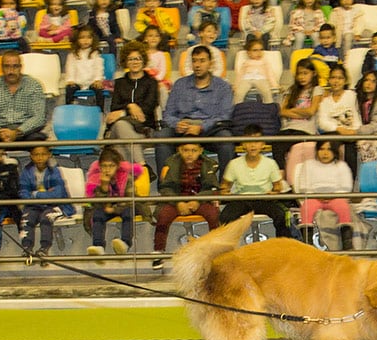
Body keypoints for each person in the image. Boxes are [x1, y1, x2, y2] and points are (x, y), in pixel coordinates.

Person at [154, 46, 235, 175]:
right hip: (183, 128)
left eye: (202, 61)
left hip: (210, 130)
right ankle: (165, 187)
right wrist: (177, 124)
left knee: (226, 139)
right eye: (195, 61)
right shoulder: (180, 84)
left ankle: (225, 188)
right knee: (161, 137)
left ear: (210, 63)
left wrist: (202, 126)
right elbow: (168, 114)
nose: (197, 65)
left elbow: (225, 115)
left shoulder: (223, 86)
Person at [154, 140, 220, 269]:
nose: (189, 154)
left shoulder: (208, 164)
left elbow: (213, 188)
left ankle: (217, 251)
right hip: (176, 201)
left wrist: (198, 200)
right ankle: (158, 252)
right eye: (186, 150)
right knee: (163, 215)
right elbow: (165, 188)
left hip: (199, 200)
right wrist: (178, 202)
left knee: (213, 214)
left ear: (200, 151)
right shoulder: (171, 163)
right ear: (179, 150)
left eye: (193, 150)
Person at [219, 124, 294, 238]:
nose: (253, 145)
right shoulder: (234, 163)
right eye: (249, 141)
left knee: (281, 215)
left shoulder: (270, 163)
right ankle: (228, 250)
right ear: (243, 143)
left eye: (256, 141)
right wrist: (225, 191)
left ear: (263, 144)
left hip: (263, 199)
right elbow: (225, 185)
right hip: (241, 199)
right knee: (225, 217)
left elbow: (277, 186)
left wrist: (274, 192)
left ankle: (281, 246)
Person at [294, 139, 357, 250]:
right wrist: (317, 195)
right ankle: (307, 244)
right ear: (317, 151)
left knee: (343, 207)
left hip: (335, 197)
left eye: (329, 149)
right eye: (322, 149)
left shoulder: (342, 166)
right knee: (306, 208)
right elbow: (303, 186)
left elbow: (347, 187)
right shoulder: (308, 165)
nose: (325, 153)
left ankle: (347, 244)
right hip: (314, 197)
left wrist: (332, 196)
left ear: (335, 151)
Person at [0, 50, 48, 144]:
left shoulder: (33, 85)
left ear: (21, 67)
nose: (11, 71)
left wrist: (17, 132)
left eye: (15, 66)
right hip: (0, 132)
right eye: (7, 66)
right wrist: (0, 132)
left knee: (39, 143)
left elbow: (39, 117)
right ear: (1, 68)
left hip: (26, 132)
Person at [106, 42, 160, 166]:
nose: (134, 62)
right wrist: (130, 107)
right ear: (125, 61)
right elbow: (114, 108)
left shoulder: (152, 83)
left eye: (138, 58)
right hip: (118, 129)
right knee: (120, 125)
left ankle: (129, 180)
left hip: (144, 131)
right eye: (131, 59)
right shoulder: (119, 83)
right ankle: (142, 165)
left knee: (121, 145)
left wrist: (123, 111)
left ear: (143, 60)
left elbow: (148, 108)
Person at [84, 146, 143, 256]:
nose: (107, 169)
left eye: (111, 166)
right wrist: (104, 186)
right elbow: (96, 203)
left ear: (117, 166)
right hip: (107, 207)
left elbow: (130, 200)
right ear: (99, 167)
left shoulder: (126, 177)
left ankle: (125, 243)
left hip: (126, 205)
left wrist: (113, 209)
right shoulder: (96, 179)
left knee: (127, 212)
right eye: (104, 166)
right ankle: (98, 246)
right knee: (97, 214)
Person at [19, 145, 74, 254]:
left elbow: (57, 194)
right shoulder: (26, 171)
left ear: (49, 155)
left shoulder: (55, 171)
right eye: (36, 154)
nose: (40, 157)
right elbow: (23, 192)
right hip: (34, 206)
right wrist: (45, 194)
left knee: (46, 218)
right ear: (31, 156)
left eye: (43, 154)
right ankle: (26, 247)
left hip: (56, 206)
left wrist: (36, 194)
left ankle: (44, 248)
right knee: (26, 218)